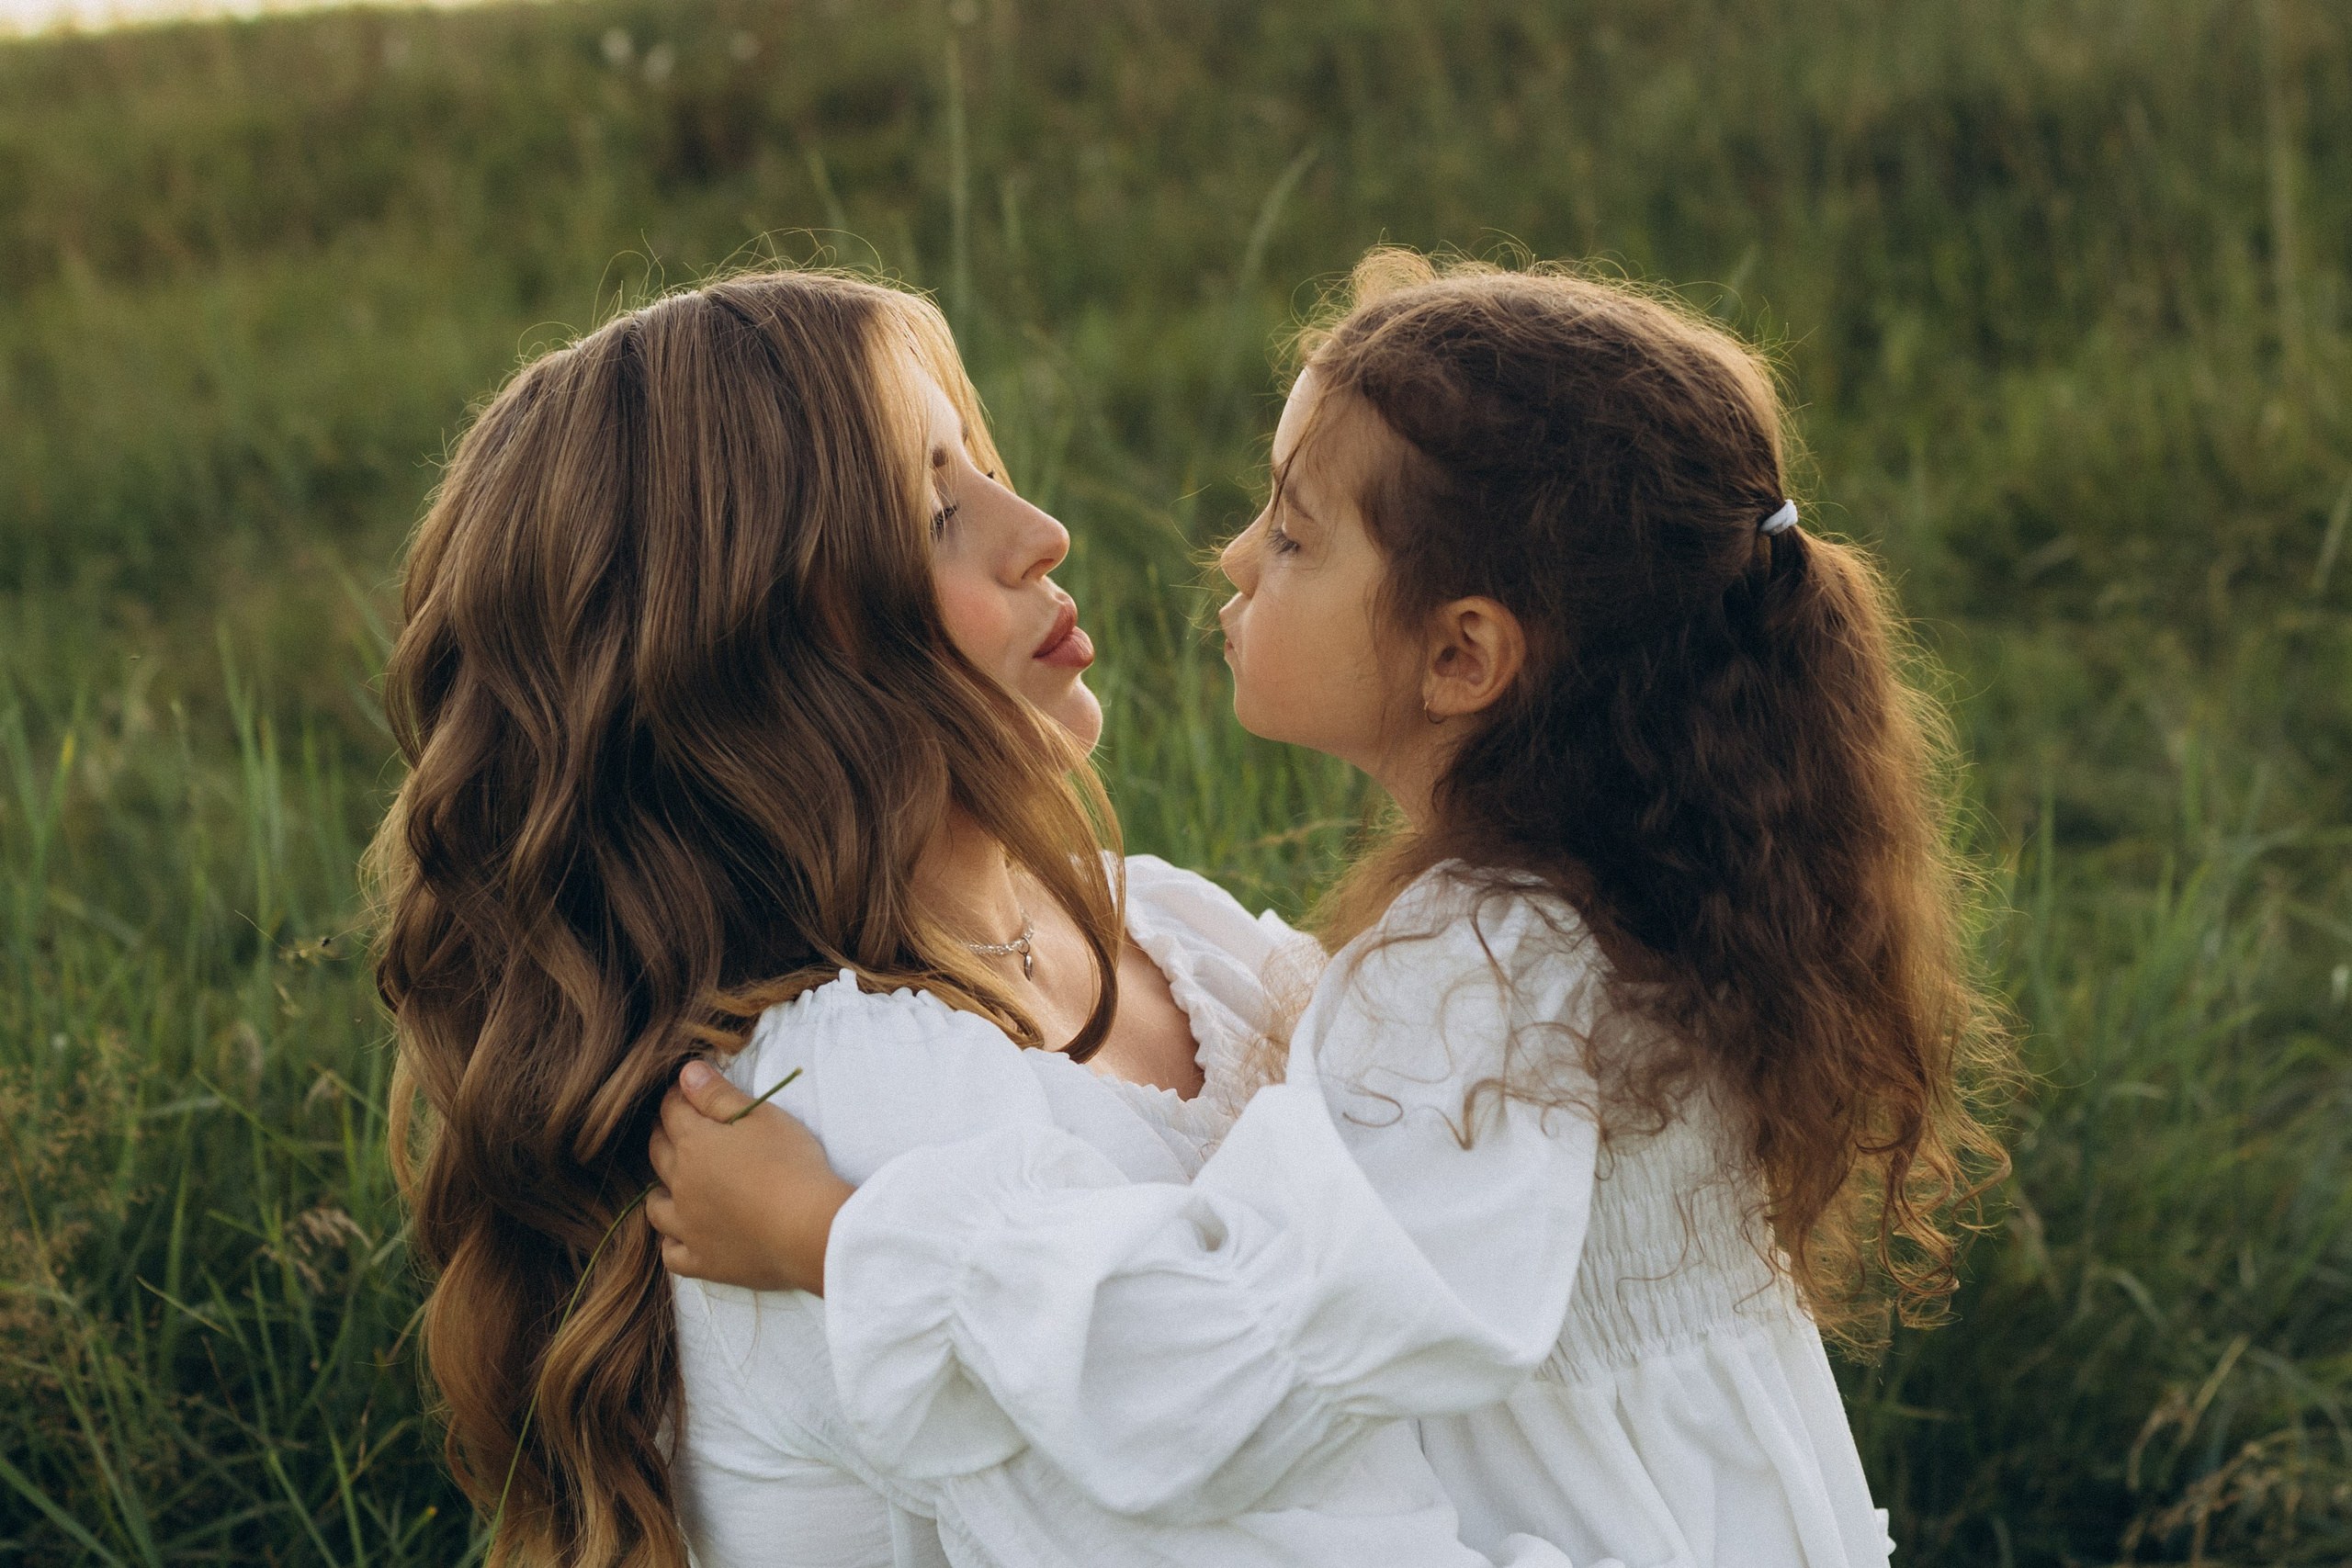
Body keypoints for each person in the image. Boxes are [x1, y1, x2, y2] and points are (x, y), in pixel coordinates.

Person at [647, 251, 2013, 1568]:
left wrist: (837, 1238)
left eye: (1292, 533)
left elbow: (1226, 1353)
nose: (1233, 558)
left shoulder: (1480, 979)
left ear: (1463, 653)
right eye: (944, 504)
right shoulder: (1599, 924)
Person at [370, 266, 1569, 1568]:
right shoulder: (847, 1106)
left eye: (978, 462)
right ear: (756, 653)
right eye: (935, 511)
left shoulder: (1156, 927)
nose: (1040, 527)